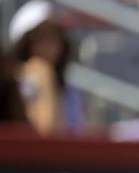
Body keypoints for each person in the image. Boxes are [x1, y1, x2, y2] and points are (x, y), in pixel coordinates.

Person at [9, 0, 84, 135]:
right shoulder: (11, 83)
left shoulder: (69, 89)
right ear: (26, 43)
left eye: (55, 36)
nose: (50, 45)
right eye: (41, 37)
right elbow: (47, 129)